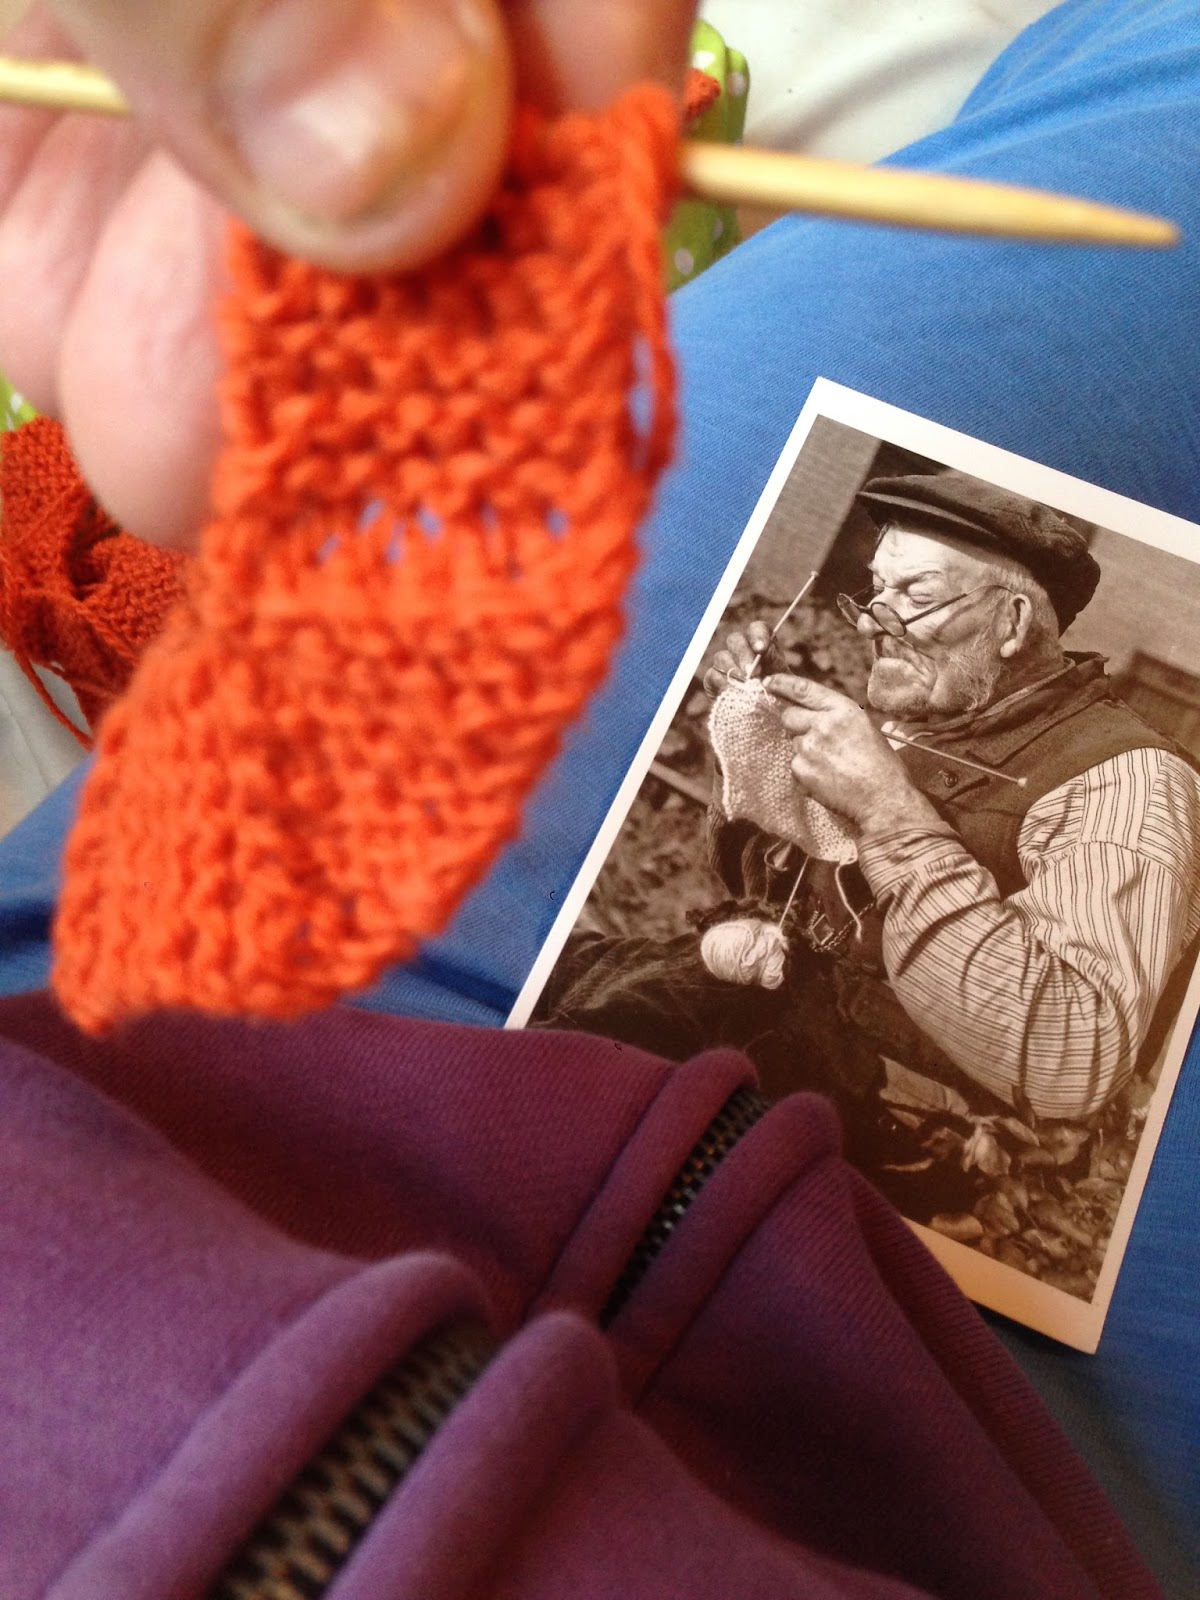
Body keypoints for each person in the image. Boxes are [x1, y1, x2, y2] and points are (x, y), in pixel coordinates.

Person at [1, 0, 1199, 1590]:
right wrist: (767, 835)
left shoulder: (1120, 777)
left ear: (1019, 630)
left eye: (914, 607)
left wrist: (889, 824)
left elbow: (1066, 1063)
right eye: (876, 596)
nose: (876, 631)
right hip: (888, 1409)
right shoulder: (904, 701)